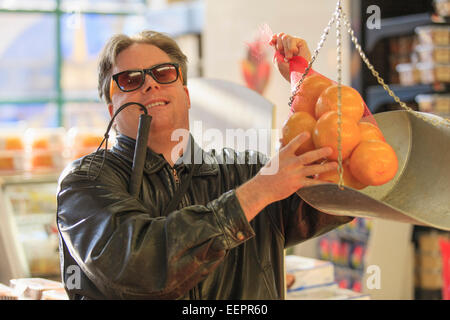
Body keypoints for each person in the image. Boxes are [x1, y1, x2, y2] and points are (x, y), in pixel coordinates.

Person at [56, 30, 353, 300]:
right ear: (112, 108)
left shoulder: (245, 172)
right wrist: (257, 193)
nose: (150, 83)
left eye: (163, 73)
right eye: (131, 79)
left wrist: (305, 87)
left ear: (185, 96)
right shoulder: (84, 181)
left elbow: (342, 190)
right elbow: (138, 266)